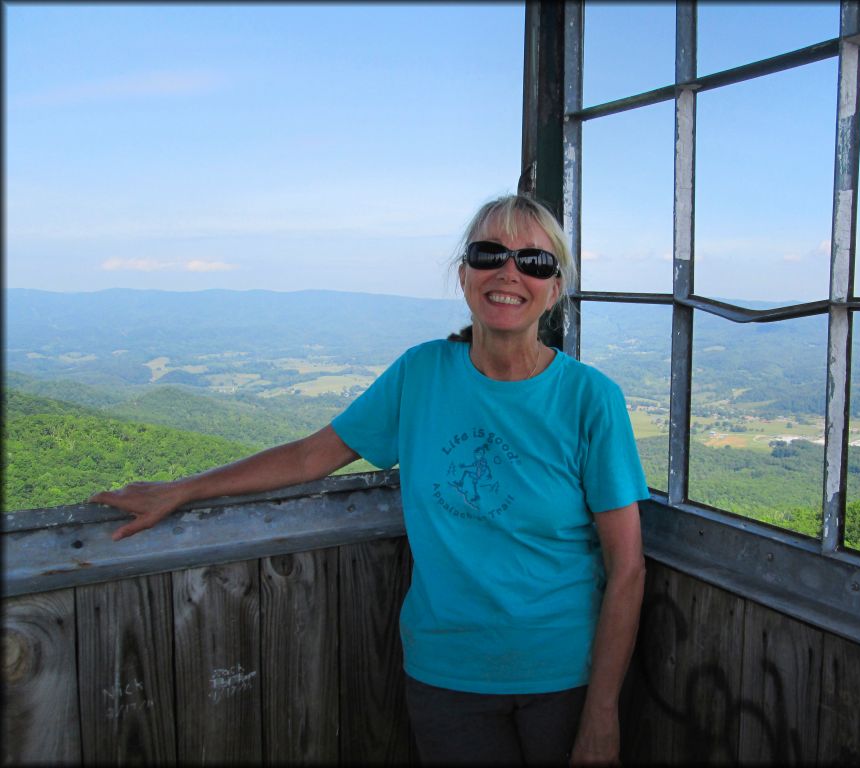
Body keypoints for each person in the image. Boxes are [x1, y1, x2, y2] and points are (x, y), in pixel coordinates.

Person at [89, 193, 649, 766]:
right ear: (464, 275)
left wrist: (603, 710)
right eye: (489, 254)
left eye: (533, 262)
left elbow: (626, 566)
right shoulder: (421, 374)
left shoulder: (590, 400)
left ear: (554, 289)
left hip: (565, 676)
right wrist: (182, 489)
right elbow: (311, 456)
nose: (508, 272)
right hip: (448, 674)